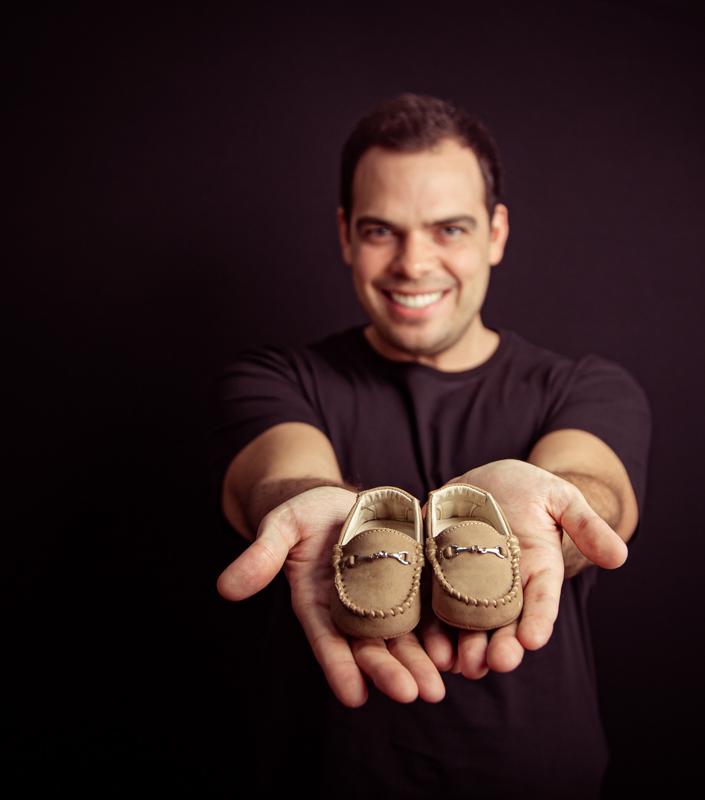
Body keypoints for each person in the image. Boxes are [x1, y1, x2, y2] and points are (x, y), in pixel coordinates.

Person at [210, 94, 650, 798]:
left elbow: (592, 487)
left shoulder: (587, 387)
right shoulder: (272, 379)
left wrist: (554, 514)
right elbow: (278, 479)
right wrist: (316, 512)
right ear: (346, 235)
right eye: (383, 230)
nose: (414, 264)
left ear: (496, 234)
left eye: (449, 228)